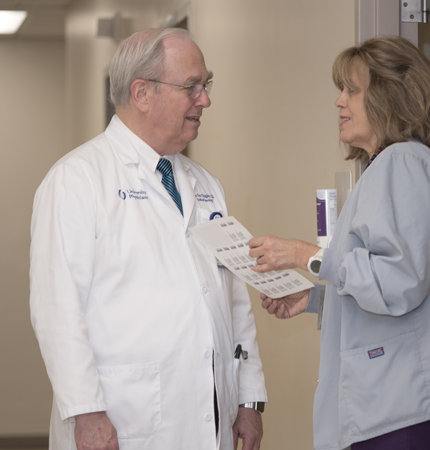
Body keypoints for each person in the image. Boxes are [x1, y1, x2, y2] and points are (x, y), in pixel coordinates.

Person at [30, 28, 267, 450]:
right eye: (191, 86)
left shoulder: (206, 185)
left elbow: (233, 301)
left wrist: (248, 400)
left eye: (206, 85)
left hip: (211, 419)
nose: (205, 99)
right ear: (142, 93)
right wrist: (86, 413)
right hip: (122, 421)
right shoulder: (78, 179)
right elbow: (57, 311)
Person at [248, 36, 430, 450]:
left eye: (351, 90)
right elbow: (386, 285)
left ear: (389, 96)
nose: (339, 102)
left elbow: (399, 282)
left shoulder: (405, 163)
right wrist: (314, 299)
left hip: (404, 411)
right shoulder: (385, 168)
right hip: (387, 410)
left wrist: (304, 255)